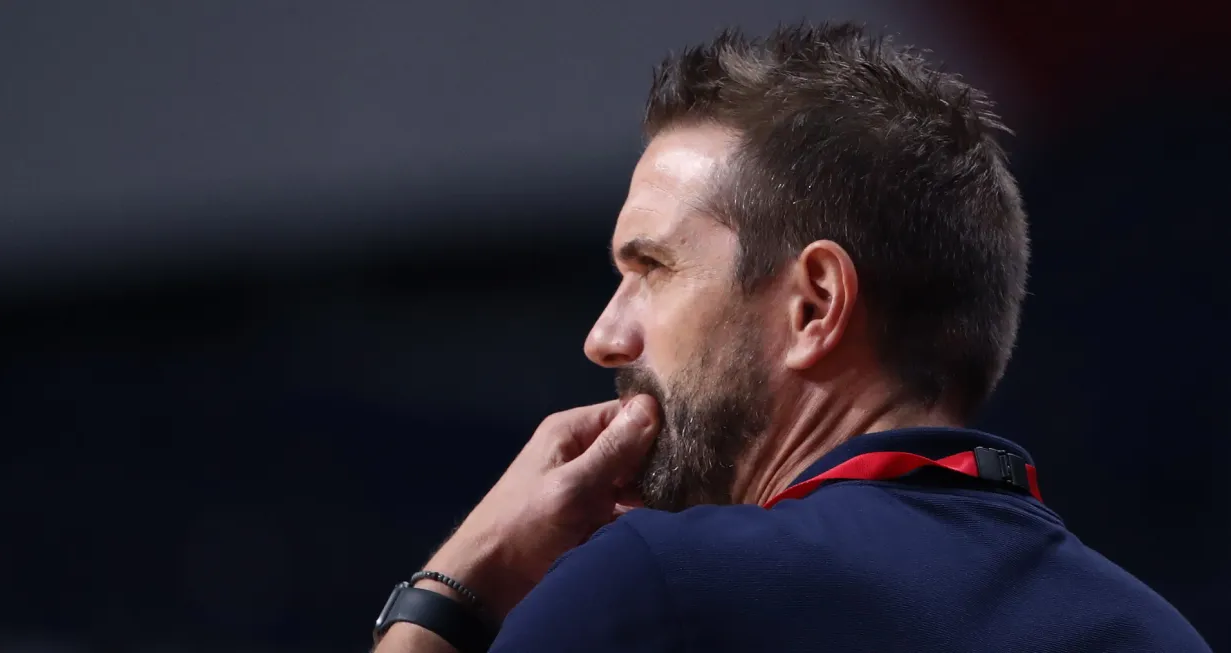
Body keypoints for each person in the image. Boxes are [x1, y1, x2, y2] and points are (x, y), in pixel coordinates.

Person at [371, 22, 1211, 653]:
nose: (605, 336)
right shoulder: (1153, 632)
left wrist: (461, 579)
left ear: (814, 303)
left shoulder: (658, 588)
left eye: (654, 267)